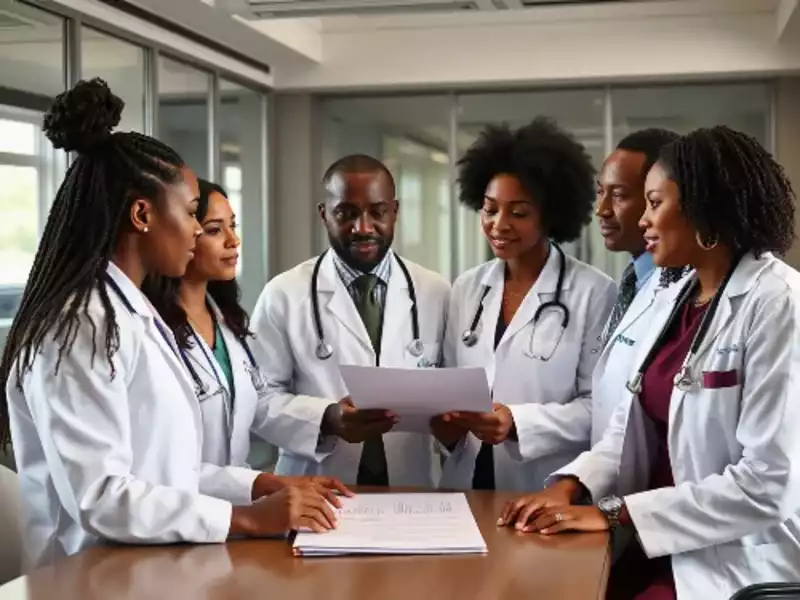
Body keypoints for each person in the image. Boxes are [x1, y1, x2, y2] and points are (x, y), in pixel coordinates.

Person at [0, 79, 338, 569]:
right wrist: (244, 519)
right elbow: (101, 497)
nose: (199, 231)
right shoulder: (81, 327)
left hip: (152, 562)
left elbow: (166, 475)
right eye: (190, 212)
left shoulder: (130, 313)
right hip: (88, 574)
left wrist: (259, 488)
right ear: (142, 214)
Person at [499, 126, 800, 600]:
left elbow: (769, 484)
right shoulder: (680, 293)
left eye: (655, 203)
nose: (643, 219)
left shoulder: (777, 302)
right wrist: (573, 486)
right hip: (652, 540)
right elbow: (631, 421)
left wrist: (616, 513)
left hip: (729, 557)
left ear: (704, 210)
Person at [434, 117, 617, 492]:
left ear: (549, 216)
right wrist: (445, 425)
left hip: (542, 485)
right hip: (466, 481)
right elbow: (450, 384)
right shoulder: (468, 288)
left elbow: (600, 410)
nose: (499, 224)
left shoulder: (593, 292)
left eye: (518, 213)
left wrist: (517, 422)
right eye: (489, 209)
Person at [141, 179, 350, 502]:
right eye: (214, 230)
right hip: (172, 512)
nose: (233, 241)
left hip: (232, 514)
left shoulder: (227, 324)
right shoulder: (149, 331)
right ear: (182, 231)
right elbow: (154, 463)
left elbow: (255, 403)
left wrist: (329, 417)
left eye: (233, 226)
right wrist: (262, 484)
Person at [249, 154, 450, 487]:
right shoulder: (283, 294)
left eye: (377, 212)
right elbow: (257, 399)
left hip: (410, 486)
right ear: (323, 213)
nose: (363, 228)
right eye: (346, 213)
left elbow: (453, 391)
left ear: (395, 212)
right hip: (315, 485)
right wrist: (327, 419)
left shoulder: (435, 291)